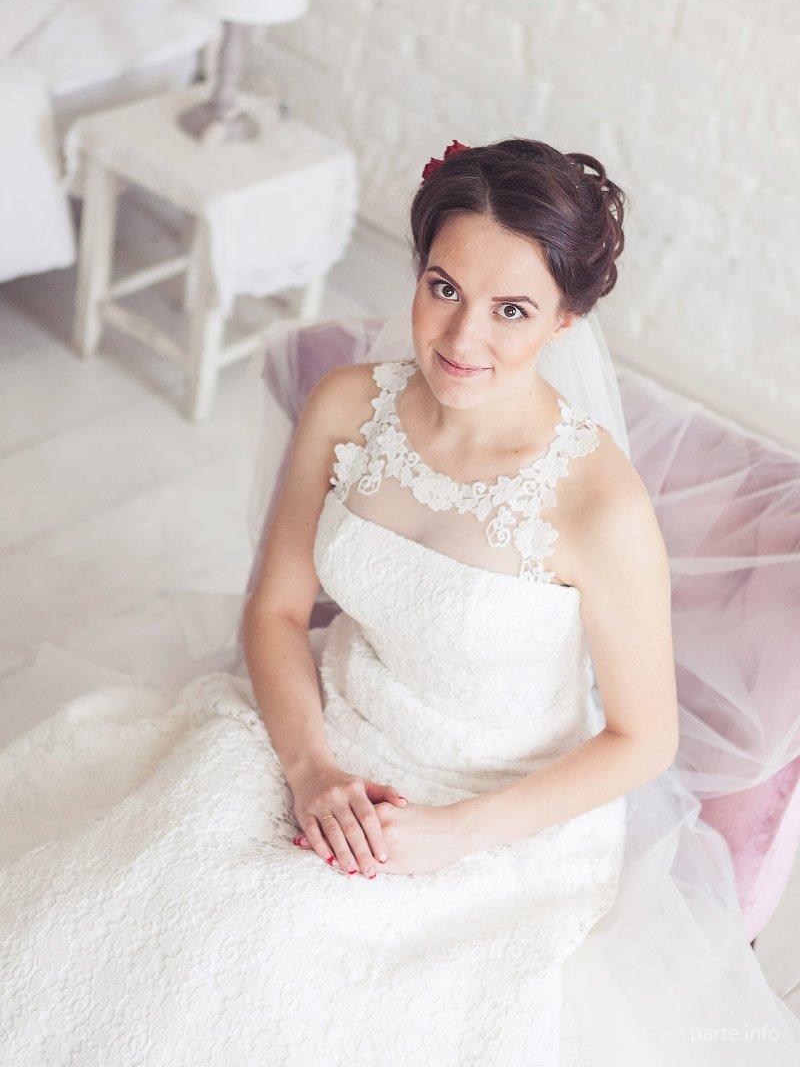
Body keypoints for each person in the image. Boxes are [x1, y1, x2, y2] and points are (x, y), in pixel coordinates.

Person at [1, 138, 798, 1065]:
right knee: (139, 891)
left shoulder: (598, 505)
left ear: (567, 319)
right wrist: (311, 768)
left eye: (511, 310)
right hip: (326, 729)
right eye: (443, 288)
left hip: (489, 802)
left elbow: (643, 739)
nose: (461, 340)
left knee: (277, 965)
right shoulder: (348, 405)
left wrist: (451, 836)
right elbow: (276, 611)